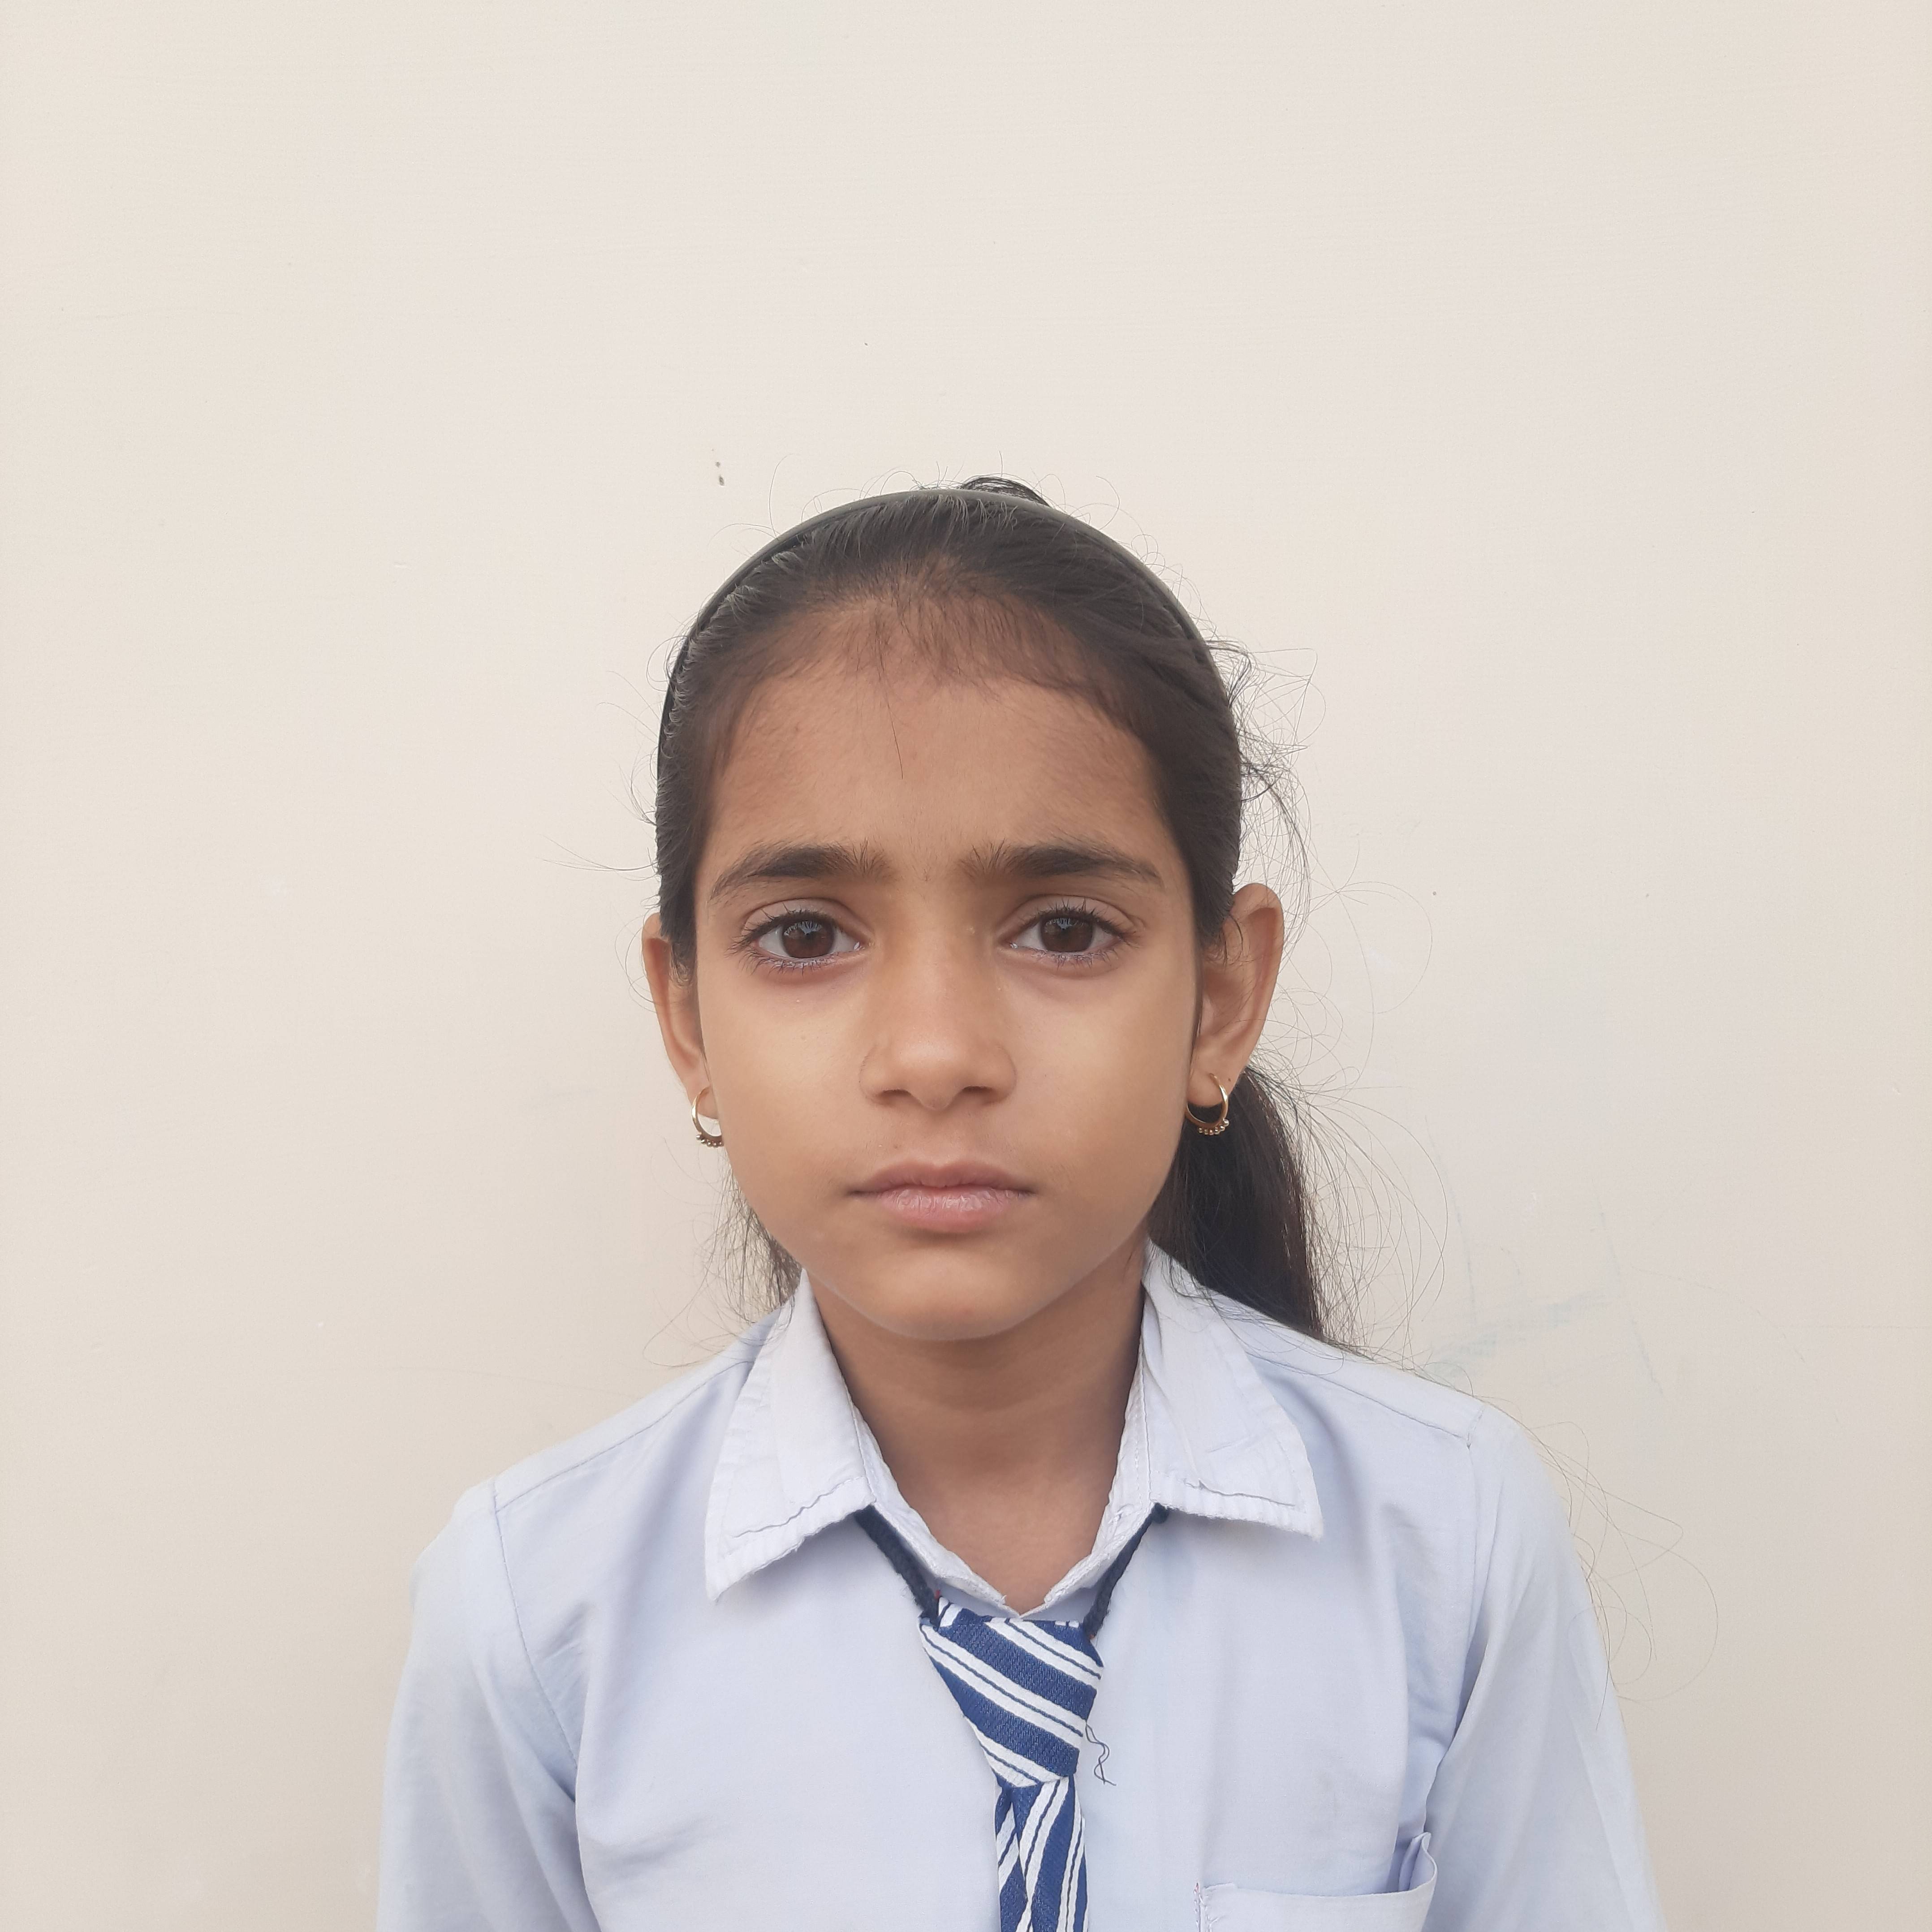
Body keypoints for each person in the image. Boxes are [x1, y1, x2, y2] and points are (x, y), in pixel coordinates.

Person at [376, 480, 1667, 1931]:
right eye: (804, 936)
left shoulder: (1449, 1540)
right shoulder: (536, 1615)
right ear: (687, 1019)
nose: (936, 1054)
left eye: (1064, 930)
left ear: (1220, 998)